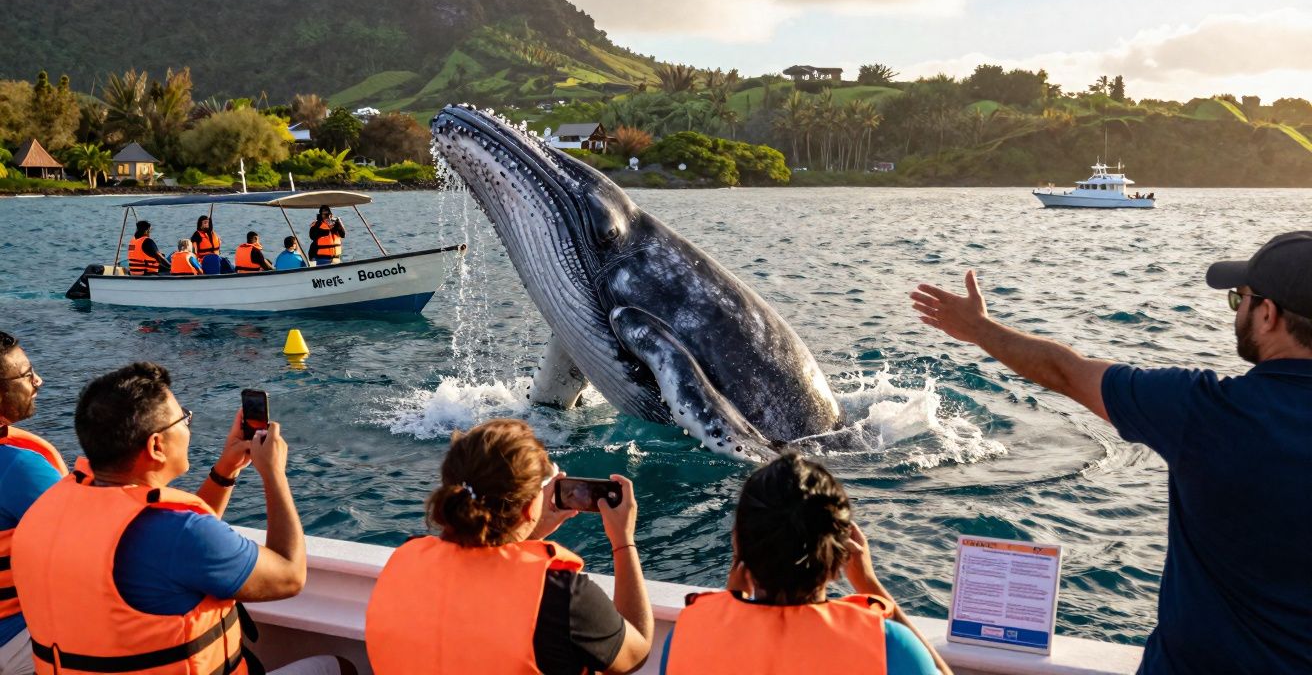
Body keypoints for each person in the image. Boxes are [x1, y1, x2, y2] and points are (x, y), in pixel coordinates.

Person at [910, 231, 1312, 675]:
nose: (1236, 311)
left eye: (1240, 300)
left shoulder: (1201, 410)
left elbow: (1066, 372)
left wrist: (979, 329)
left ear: (1269, 314)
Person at [11, 362, 355, 675]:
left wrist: (225, 471)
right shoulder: (183, 535)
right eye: (184, 419)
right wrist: (274, 474)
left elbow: (166, 540)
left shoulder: (46, 508)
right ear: (157, 446)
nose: (188, 427)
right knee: (337, 667)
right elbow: (289, 576)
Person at [365, 418, 654, 674]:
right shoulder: (562, 595)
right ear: (530, 508)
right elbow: (636, 654)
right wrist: (623, 542)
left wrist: (526, 535)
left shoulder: (406, 559)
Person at [661, 453, 947, 675]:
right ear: (842, 555)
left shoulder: (685, 637)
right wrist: (868, 582)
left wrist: (731, 603)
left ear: (738, 544)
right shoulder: (891, 645)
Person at [0, 333, 66, 675]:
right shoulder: (18, 468)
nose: (38, 380)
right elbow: (100, 541)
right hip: (12, 641)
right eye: (26, 375)